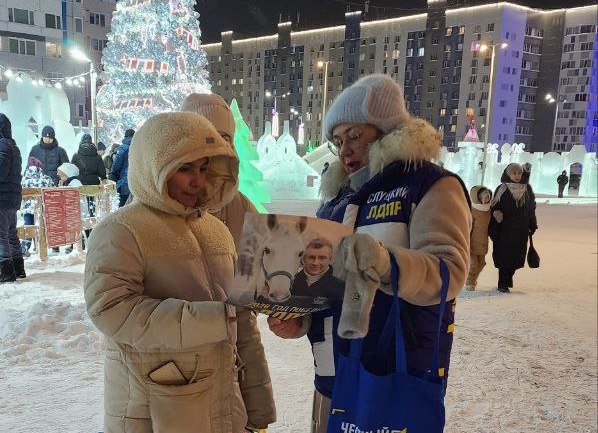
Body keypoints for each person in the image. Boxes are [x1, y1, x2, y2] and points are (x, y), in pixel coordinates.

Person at [268, 74, 471, 432]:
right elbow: (326, 286)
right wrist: (299, 321)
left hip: (389, 373)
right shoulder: (337, 200)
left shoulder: (431, 184)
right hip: (332, 374)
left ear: (386, 130)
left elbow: (449, 272)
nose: (345, 150)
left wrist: (385, 263)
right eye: (337, 141)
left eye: (354, 136)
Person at [84, 112, 264, 433]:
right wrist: (211, 319)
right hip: (153, 408)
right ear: (153, 165)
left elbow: (240, 321)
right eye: (184, 168)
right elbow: (111, 310)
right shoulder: (121, 230)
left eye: (204, 168)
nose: (198, 181)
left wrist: (258, 404)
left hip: (222, 404)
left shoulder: (217, 230)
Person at [180, 92, 276, 432]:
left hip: (231, 364)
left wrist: (258, 408)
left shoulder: (243, 210)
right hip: (174, 376)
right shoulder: (151, 207)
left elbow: (248, 303)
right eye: (201, 137)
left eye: (222, 138)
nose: (212, 151)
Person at [489, 163, 538, 293]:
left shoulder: (527, 189)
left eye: (519, 173)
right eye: (514, 173)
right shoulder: (502, 188)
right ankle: (503, 284)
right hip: (505, 229)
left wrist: (532, 224)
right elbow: (494, 206)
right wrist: (497, 215)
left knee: (516, 257)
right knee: (504, 257)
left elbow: (531, 208)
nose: (517, 175)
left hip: (521, 229)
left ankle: (508, 278)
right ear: (508, 174)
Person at [0, 113, 24, 282]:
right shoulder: (13, 146)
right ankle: (18, 267)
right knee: (10, 234)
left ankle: (5, 271)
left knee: (1, 235)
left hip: (2, 197)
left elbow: (1, 171)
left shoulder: (2, 145)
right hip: (12, 197)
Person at [20, 156, 54, 256]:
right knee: (43, 226)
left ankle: (25, 247)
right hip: (42, 208)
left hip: (28, 209)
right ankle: (48, 247)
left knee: (28, 227)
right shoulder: (46, 179)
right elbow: (52, 190)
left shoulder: (24, 180)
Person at [465, 186, 492, 291]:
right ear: (477, 198)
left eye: (488, 196)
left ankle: (472, 279)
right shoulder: (473, 211)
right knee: (473, 264)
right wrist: (466, 241)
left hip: (483, 242)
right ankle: (469, 282)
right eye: (484, 197)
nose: (487, 199)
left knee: (481, 263)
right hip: (472, 243)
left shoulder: (488, 210)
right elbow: (467, 227)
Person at [109, 129, 134, 207]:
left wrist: (112, 174)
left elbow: (116, 165)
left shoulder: (123, 148)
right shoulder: (138, 147)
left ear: (125, 136)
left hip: (124, 183)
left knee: (122, 207)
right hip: (135, 183)